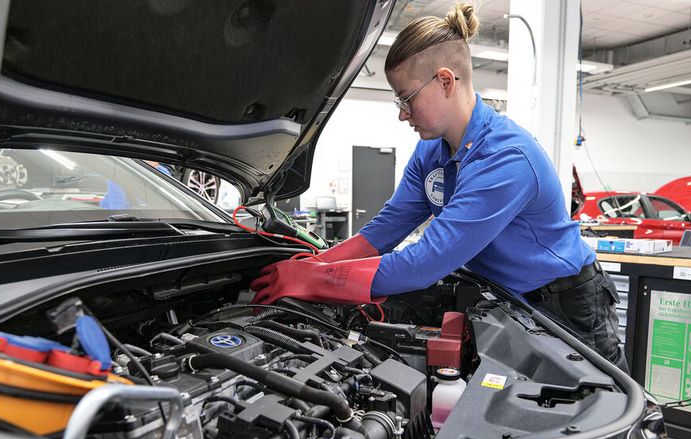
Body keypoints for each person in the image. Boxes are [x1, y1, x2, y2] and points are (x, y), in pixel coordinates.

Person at [251, 3, 627, 372]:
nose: (402, 113)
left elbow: (425, 263)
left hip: (566, 306)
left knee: (594, 417)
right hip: (502, 300)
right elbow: (382, 232)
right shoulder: (431, 151)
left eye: (407, 99)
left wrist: (315, 280)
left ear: (445, 81)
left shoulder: (506, 158)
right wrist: (311, 265)